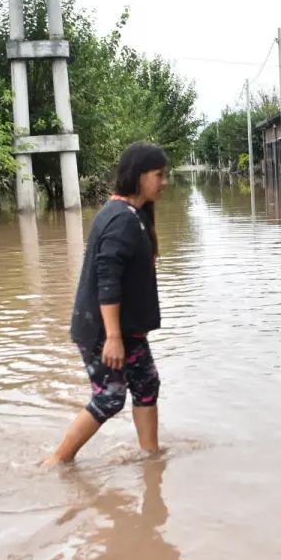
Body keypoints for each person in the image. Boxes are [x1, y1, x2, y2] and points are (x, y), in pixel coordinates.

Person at [43, 142, 168, 467]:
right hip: (103, 329)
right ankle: (57, 461)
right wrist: (112, 337)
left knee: (146, 383)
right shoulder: (121, 219)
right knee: (110, 397)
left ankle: (150, 457)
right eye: (159, 175)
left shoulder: (134, 214)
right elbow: (107, 279)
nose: (164, 182)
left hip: (128, 329)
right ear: (139, 176)